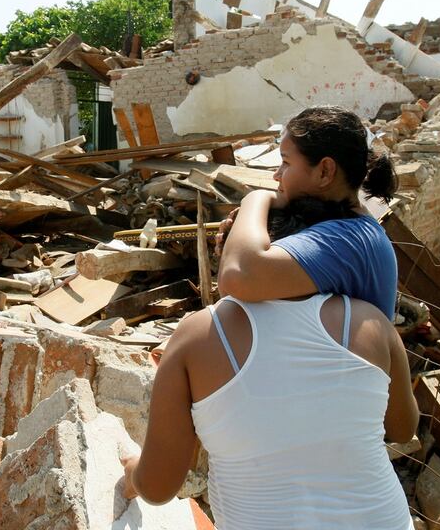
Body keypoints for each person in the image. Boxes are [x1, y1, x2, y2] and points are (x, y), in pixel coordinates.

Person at [120, 291, 419, 528]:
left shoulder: (199, 333)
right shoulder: (368, 319)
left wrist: (134, 473)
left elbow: (157, 487)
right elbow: (404, 429)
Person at [217, 105, 399, 318]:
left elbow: (237, 277)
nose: (277, 175)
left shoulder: (347, 239)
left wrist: (255, 198)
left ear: (324, 171)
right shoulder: (349, 226)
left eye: (285, 162)